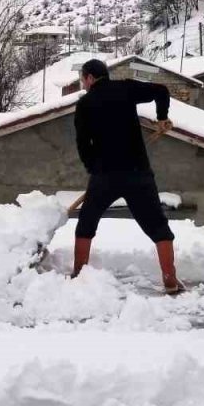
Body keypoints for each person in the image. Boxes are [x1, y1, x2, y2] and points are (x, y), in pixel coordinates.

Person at [71, 58, 182, 294]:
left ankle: (79, 275)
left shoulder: (85, 104)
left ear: (90, 78)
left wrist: (94, 168)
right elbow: (161, 91)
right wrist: (162, 117)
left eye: (83, 80)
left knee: (86, 223)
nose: (83, 84)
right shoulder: (125, 88)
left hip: (105, 175)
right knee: (158, 226)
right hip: (137, 173)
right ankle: (170, 279)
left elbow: (83, 144)